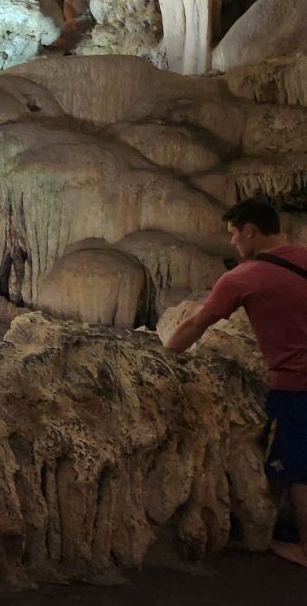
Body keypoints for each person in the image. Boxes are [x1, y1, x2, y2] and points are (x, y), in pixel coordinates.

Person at [163, 198, 307, 567]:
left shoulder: (243, 277)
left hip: (297, 383)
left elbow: (196, 324)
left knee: (298, 469)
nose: (232, 244)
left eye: (233, 234)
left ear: (249, 230)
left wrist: (162, 353)